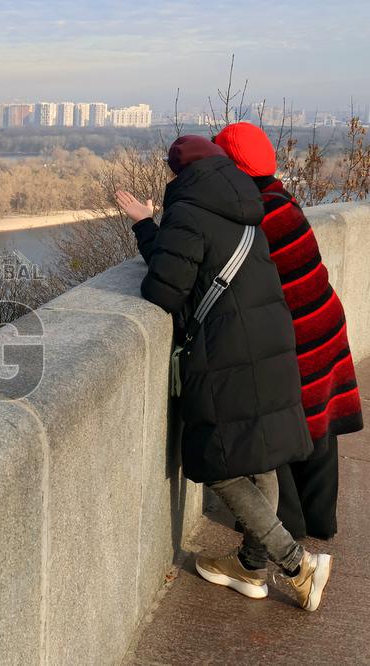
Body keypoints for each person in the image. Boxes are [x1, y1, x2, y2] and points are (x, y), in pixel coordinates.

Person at [115, 135, 333, 610]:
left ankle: (297, 565)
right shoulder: (245, 208)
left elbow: (164, 292)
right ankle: (251, 567)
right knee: (259, 457)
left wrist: (150, 225)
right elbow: (193, 262)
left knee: (219, 465)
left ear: (179, 174)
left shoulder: (189, 212)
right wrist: (149, 228)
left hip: (230, 355)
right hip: (271, 345)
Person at [215, 122, 364, 540]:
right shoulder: (282, 200)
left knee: (278, 425)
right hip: (324, 322)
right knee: (320, 423)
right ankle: (322, 521)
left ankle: (288, 524)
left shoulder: (252, 214)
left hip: (297, 336)